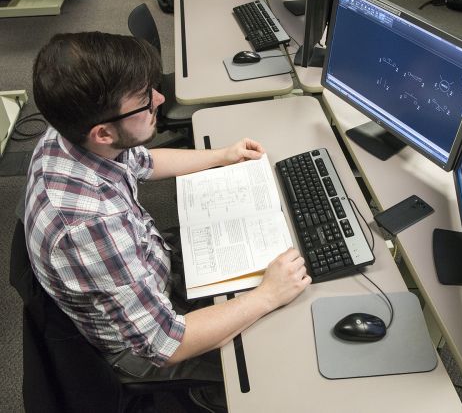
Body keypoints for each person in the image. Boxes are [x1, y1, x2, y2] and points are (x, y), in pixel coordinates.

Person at [24, 32, 311, 411]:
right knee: (288, 358)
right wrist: (268, 295)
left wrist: (222, 155)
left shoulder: (75, 133)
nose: (160, 99)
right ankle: (206, 393)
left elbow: (144, 161)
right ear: (104, 132)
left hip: (145, 269)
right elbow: (165, 342)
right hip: (149, 346)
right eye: (145, 99)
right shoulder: (88, 225)